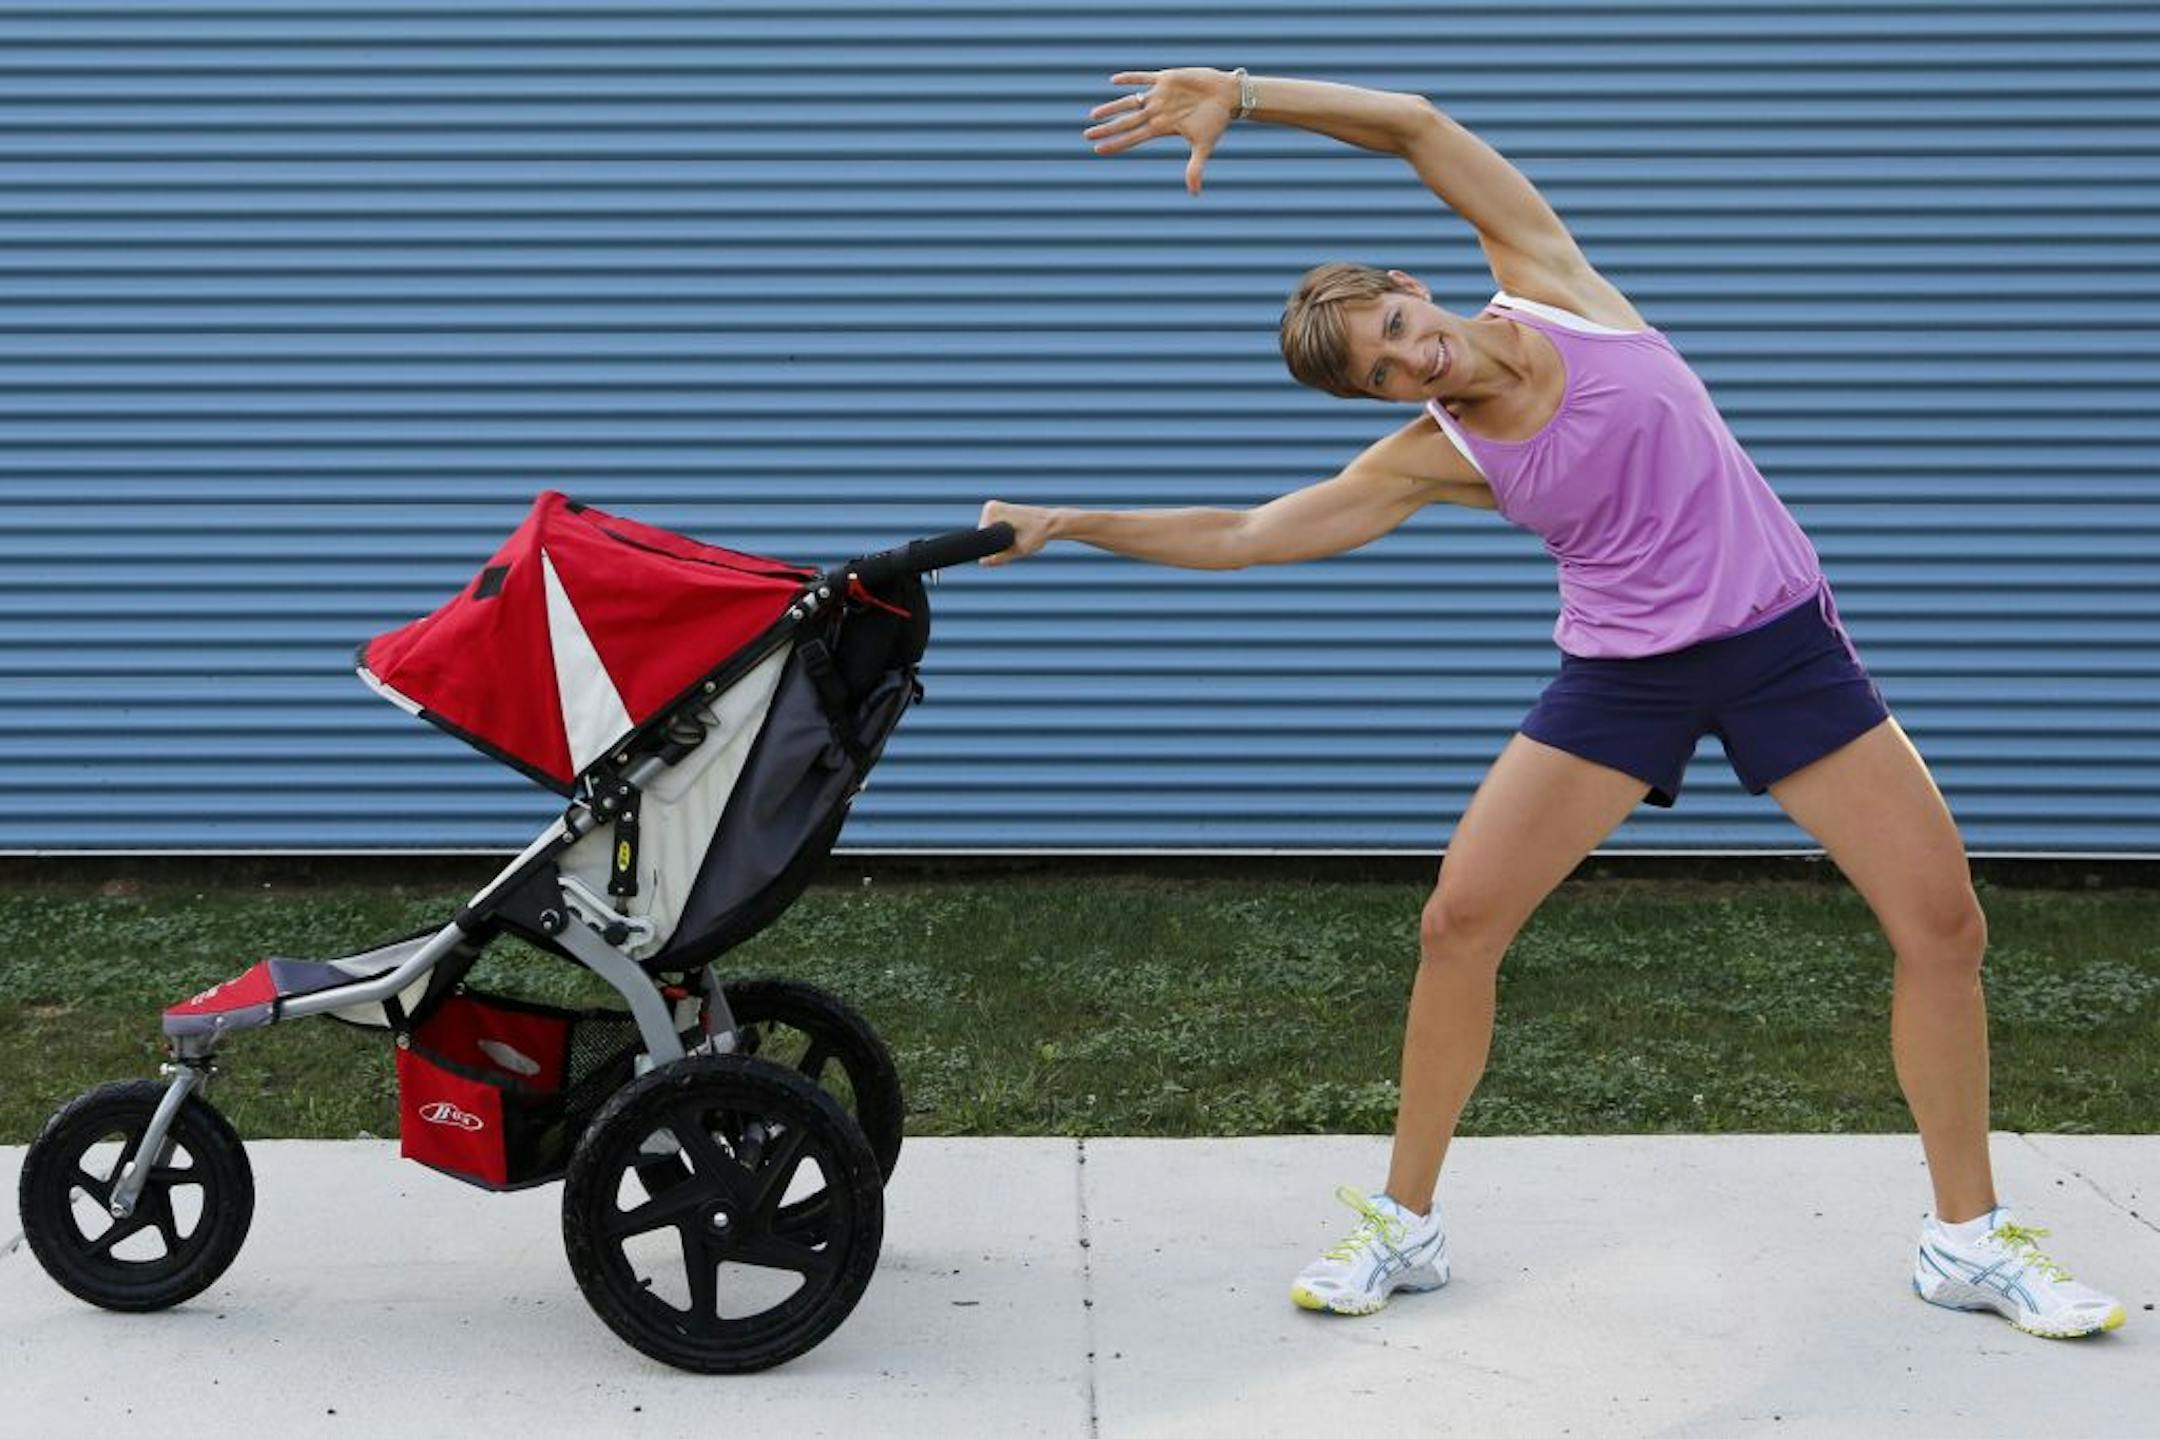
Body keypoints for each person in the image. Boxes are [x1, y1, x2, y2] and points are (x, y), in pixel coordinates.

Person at [975, 67, 2127, 1339]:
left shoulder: (1553, 283)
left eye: (1398, 323)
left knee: (1943, 925)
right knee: (1458, 921)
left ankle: (1965, 1241)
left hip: (1781, 648)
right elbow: (1249, 529)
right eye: (1380, 373)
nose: (1416, 357)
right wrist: (1071, 524)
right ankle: (1403, 1227)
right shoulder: (1436, 450)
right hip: (1623, 675)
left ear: (1411, 285)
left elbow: (1414, 124)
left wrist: (1242, 96)